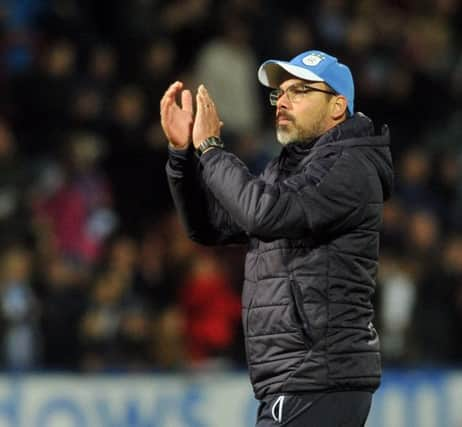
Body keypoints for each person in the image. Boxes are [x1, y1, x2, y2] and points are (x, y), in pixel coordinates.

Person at [161, 50, 393, 426]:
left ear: (337, 106)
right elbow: (210, 226)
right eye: (279, 93)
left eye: (299, 90)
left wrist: (211, 150)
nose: (282, 101)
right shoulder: (288, 167)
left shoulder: (350, 167)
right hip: (295, 378)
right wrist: (182, 156)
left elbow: (263, 213)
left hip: (319, 377)